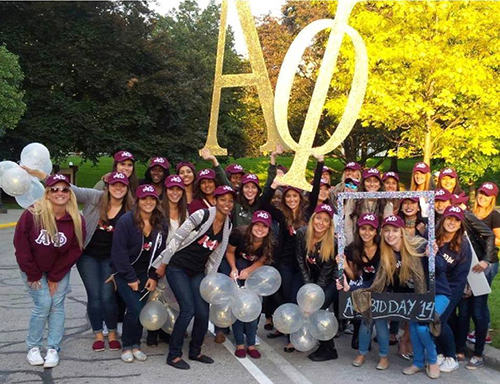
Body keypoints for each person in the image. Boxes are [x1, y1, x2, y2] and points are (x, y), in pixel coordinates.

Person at [153, 185, 235, 370]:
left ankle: (195, 351)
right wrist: (164, 263)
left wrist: (209, 280)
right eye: (223, 199)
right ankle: (173, 355)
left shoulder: (228, 225)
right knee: (188, 309)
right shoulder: (202, 215)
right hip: (178, 267)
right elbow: (177, 239)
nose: (227, 204)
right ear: (215, 200)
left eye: (230, 201)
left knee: (203, 311)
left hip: (197, 271)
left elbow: (216, 254)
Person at [14, 174, 86, 368]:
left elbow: (75, 250)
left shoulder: (76, 219)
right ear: (47, 194)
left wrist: (55, 276)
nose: (60, 193)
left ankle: (53, 348)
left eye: (64, 189)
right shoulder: (32, 214)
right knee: (43, 303)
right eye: (55, 189)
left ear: (70, 194)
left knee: (57, 305)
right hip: (32, 269)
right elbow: (21, 246)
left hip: (58, 270)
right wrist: (33, 274)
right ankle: (33, 347)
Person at [260, 154, 324, 352]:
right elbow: (263, 205)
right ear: (285, 199)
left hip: (303, 264)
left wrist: (320, 163)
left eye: (295, 196)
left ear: (299, 197)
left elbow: (314, 193)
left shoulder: (307, 213)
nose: (292, 199)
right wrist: (273, 186)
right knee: (284, 296)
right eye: (288, 196)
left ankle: (292, 335)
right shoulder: (281, 215)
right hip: (285, 263)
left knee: (297, 297)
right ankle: (285, 328)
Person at [348, 215, 428, 371]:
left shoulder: (413, 246)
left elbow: (426, 251)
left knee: (381, 321)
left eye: (395, 230)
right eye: (387, 231)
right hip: (375, 286)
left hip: (396, 290)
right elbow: (373, 278)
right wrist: (349, 286)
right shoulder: (379, 250)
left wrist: (431, 251)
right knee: (366, 319)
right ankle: (361, 353)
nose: (391, 234)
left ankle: (384, 357)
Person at [73, 172, 133, 352]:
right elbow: (70, 190)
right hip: (88, 256)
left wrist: (120, 269)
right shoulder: (95, 198)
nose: (118, 188)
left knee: (108, 296)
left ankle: (112, 333)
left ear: (127, 188)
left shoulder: (131, 210)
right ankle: (98, 333)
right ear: (107, 186)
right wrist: (41, 174)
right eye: (114, 184)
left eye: (122, 185)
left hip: (111, 260)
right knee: (95, 296)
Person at [111, 185, 168, 363]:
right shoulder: (126, 221)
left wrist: (153, 276)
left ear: (157, 202)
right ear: (137, 201)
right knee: (134, 308)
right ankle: (127, 346)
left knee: (140, 309)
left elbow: (160, 253)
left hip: (146, 272)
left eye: (152, 199)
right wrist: (130, 277)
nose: (148, 202)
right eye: (144, 199)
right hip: (124, 272)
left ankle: (136, 345)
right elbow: (118, 252)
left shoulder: (160, 223)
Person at [147, 175, 189, 347]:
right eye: (171, 189)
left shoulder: (185, 213)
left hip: (176, 261)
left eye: (178, 189)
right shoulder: (158, 211)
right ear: (166, 190)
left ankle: (166, 330)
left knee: (171, 297)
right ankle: (152, 330)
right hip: (159, 259)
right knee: (155, 296)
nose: (175, 192)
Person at [226, 210, 275, 359]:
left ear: (269, 229)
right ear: (251, 225)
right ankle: (240, 342)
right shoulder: (239, 234)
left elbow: (262, 261)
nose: (260, 229)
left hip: (255, 270)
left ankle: (251, 342)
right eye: (257, 225)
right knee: (239, 304)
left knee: (254, 305)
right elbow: (229, 252)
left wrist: (249, 270)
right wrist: (234, 268)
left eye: (264, 226)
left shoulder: (270, 242)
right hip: (237, 265)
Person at [296, 204, 338, 361]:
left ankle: (329, 349)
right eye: (318, 218)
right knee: (308, 306)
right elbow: (301, 261)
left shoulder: (332, 242)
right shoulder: (302, 233)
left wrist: (314, 297)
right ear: (313, 218)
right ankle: (323, 344)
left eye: (326, 220)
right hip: (311, 278)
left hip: (330, 280)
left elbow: (327, 273)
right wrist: (308, 288)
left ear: (329, 224)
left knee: (317, 308)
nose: (321, 222)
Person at [433, 206, 472, 373]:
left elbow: (461, 276)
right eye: (449, 218)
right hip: (433, 286)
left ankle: (452, 357)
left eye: (456, 220)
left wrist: (448, 294)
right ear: (443, 219)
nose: (452, 222)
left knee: (440, 320)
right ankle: (440, 352)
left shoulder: (463, 245)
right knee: (431, 319)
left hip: (451, 289)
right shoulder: (434, 237)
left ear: (460, 224)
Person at [339, 213, 380, 351]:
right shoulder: (352, 248)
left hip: (379, 283)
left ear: (376, 232)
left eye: (371, 229)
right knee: (356, 292)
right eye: (363, 228)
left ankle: (367, 333)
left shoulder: (382, 248)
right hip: (361, 283)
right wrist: (344, 266)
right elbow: (354, 276)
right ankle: (358, 330)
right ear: (358, 230)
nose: (366, 232)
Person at [344, 168, 393, 245]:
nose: (372, 184)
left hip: (378, 246)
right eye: (368, 181)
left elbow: (386, 229)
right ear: (363, 183)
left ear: (380, 184)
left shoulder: (387, 204)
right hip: (355, 243)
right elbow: (348, 227)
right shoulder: (353, 200)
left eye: (375, 181)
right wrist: (352, 246)